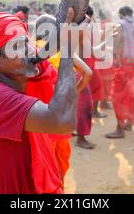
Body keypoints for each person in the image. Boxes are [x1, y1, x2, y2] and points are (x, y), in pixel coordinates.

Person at [0, 8, 81, 194]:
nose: (30, 51)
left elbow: (45, 68)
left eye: (27, 42)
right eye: (17, 47)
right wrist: (67, 47)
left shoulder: (7, 87)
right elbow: (62, 121)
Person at [35, 14, 94, 150]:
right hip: (59, 106)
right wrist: (76, 91)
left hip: (36, 110)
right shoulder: (63, 49)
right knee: (57, 153)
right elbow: (88, 73)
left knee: (40, 150)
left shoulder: (31, 49)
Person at [106, 6, 134, 139]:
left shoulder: (119, 27)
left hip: (124, 65)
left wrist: (116, 61)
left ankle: (120, 129)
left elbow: (115, 48)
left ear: (121, 15)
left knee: (119, 96)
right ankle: (129, 123)